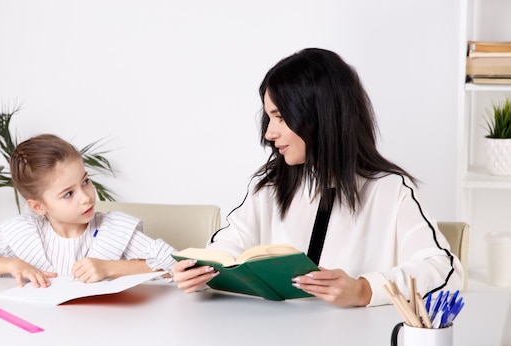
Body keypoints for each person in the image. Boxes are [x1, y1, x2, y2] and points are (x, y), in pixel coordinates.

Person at [172, 48, 463, 307]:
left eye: (281, 118)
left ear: (318, 116)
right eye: (269, 117)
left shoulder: (390, 190)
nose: (269, 133)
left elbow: (443, 269)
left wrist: (364, 290)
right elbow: (227, 247)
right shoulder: (270, 186)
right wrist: (197, 272)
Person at [0, 134, 176, 287]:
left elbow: (173, 263)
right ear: (38, 206)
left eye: (85, 182)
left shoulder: (113, 229)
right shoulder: (25, 233)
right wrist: (12, 264)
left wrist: (109, 268)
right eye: (68, 194)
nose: (86, 198)